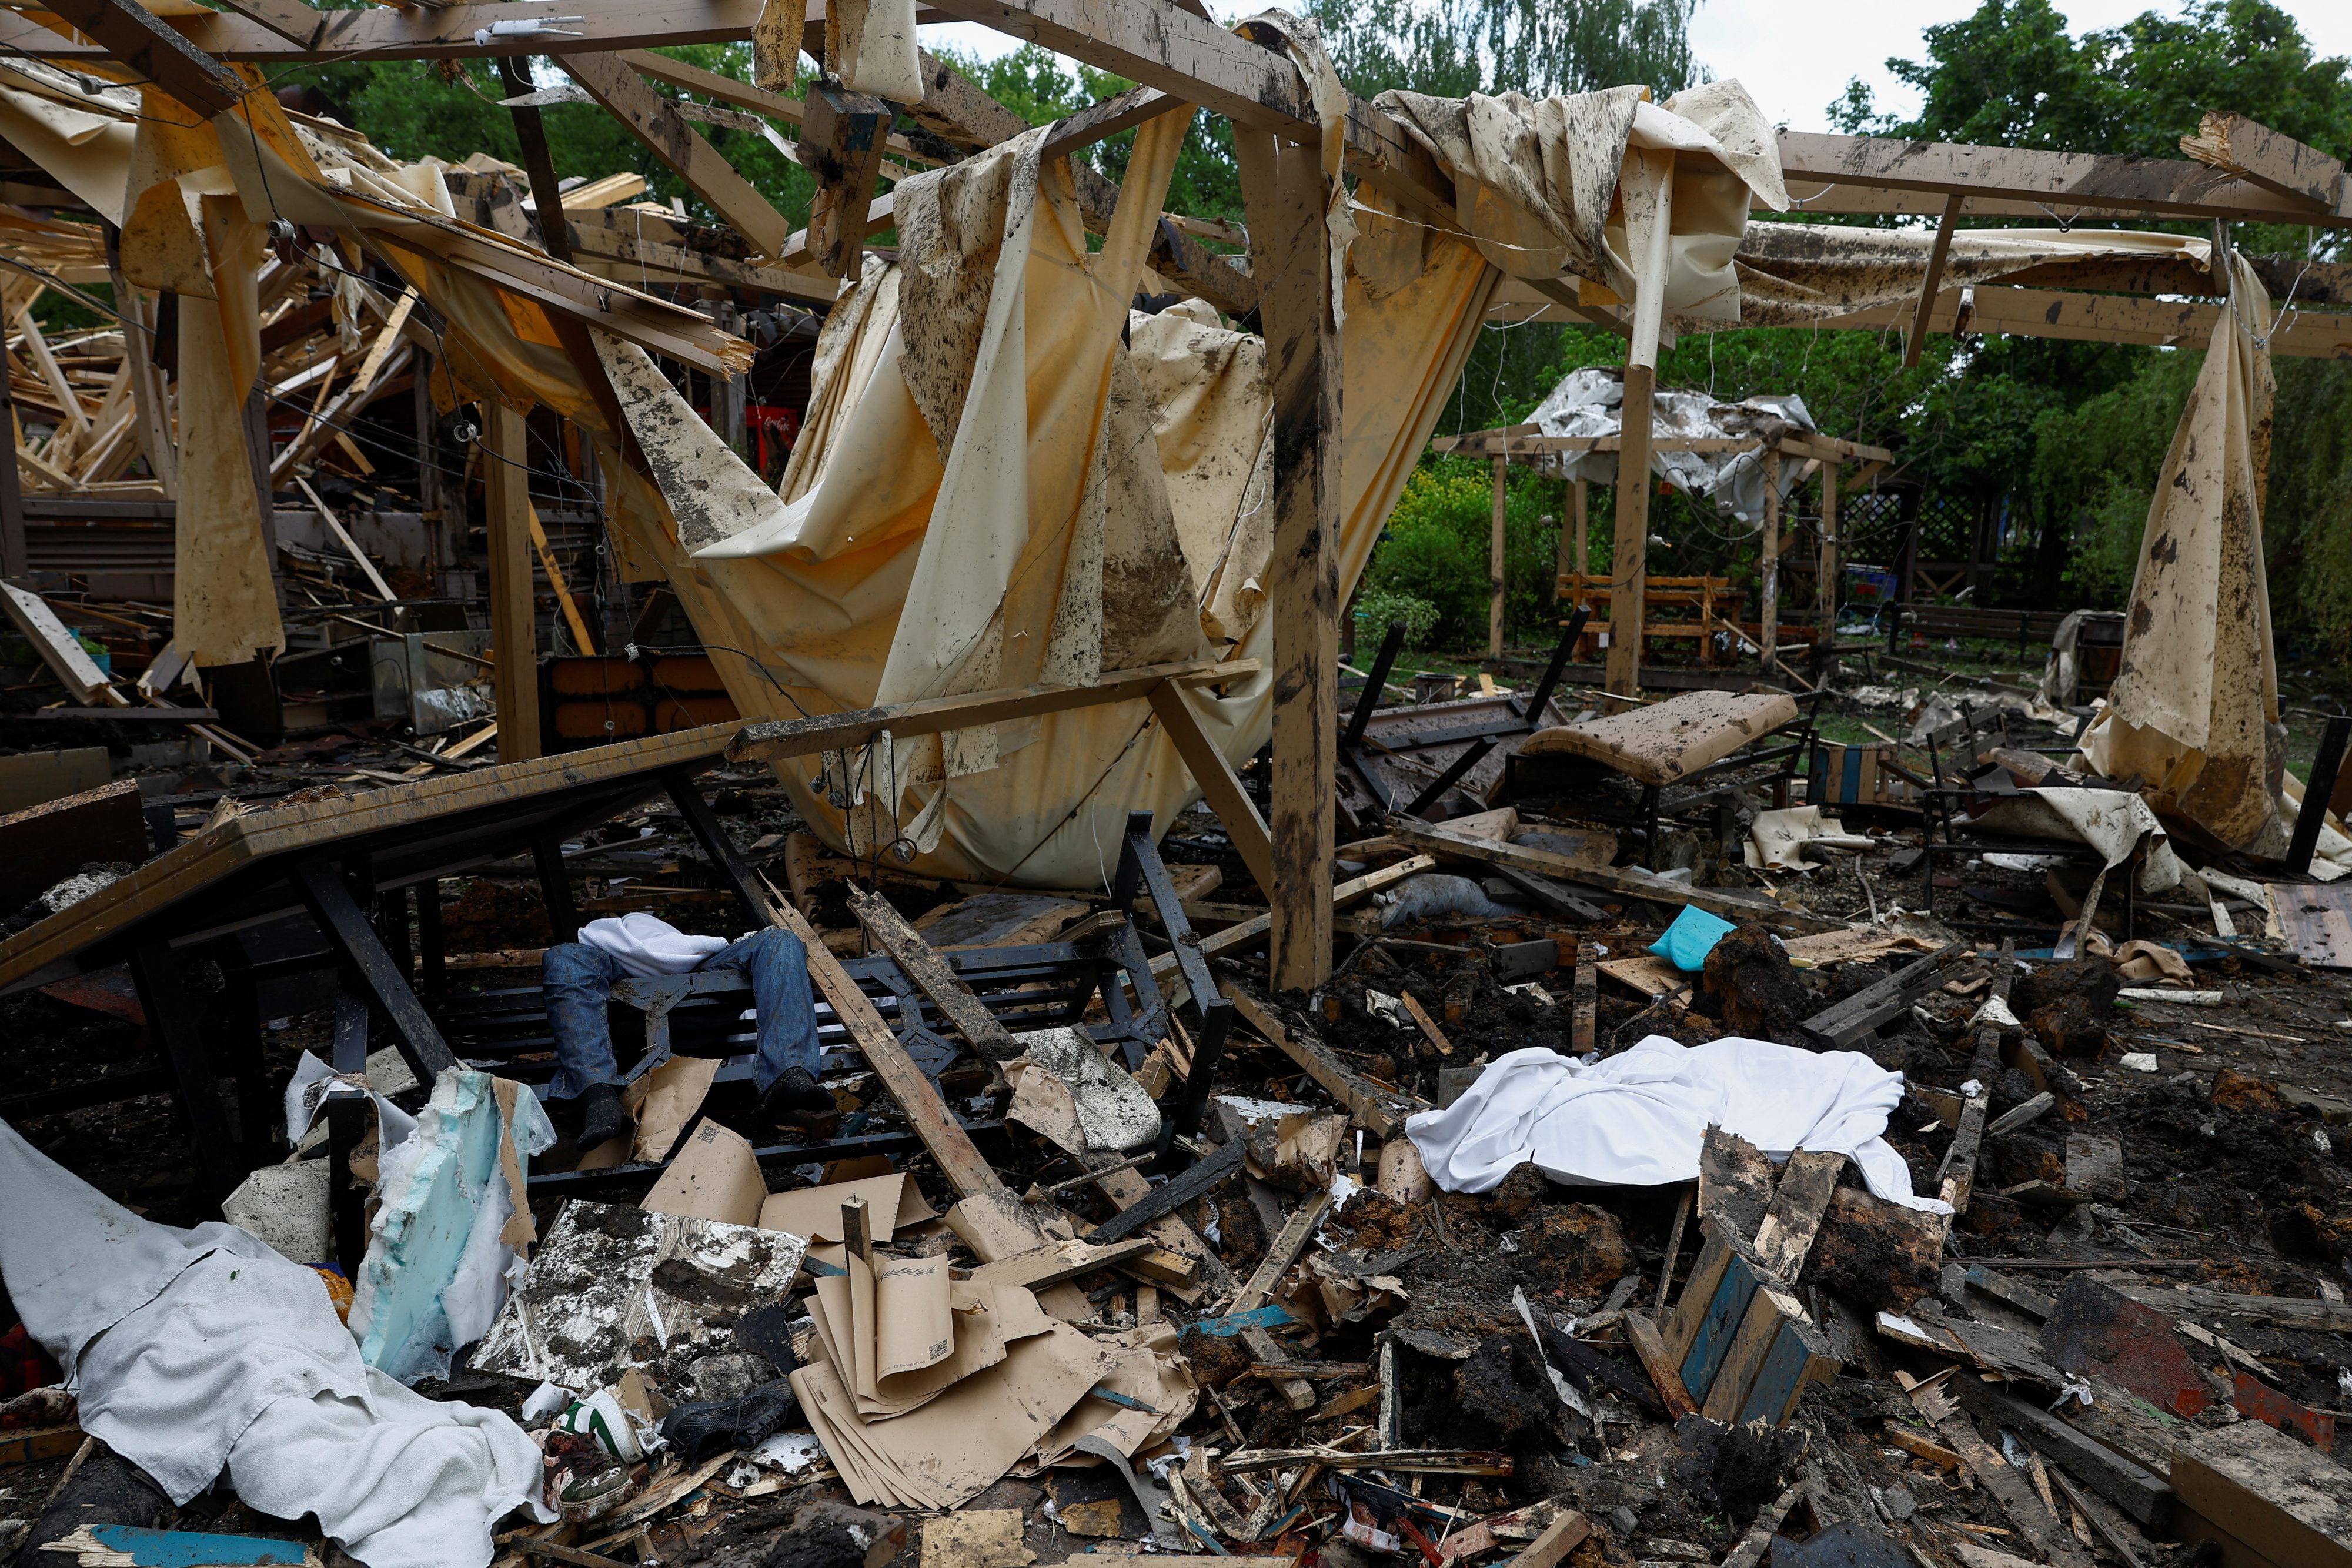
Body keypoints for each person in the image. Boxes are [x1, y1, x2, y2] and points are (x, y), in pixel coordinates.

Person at [541, 912, 836, 1151]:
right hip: (633, 1024)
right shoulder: (593, 959)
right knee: (563, 957)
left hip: (707, 1012)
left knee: (780, 940)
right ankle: (599, 1095)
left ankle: (789, 1073)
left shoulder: (698, 958)